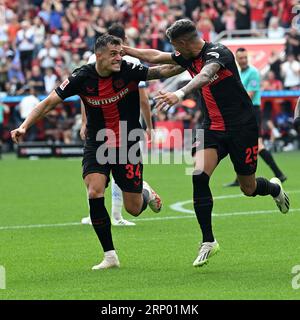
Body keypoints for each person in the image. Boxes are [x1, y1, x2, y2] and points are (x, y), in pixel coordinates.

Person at [123, 19, 290, 267]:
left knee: (248, 187)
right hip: (211, 128)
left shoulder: (218, 52)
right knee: (199, 175)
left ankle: (274, 188)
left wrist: (179, 94)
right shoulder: (187, 56)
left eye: (175, 46)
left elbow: (205, 75)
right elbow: (157, 57)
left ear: (183, 43)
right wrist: (128, 51)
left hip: (242, 128)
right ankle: (208, 241)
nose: (175, 51)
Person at [11, 34, 184, 270]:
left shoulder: (128, 70)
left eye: (120, 53)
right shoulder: (81, 77)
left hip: (127, 144)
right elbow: (48, 102)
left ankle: (144, 191)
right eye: (113, 54)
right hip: (97, 143)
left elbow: (161, 71)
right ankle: (110, 255)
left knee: (133, 209)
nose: (118, 57)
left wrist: (187, 61)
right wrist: (24, 125)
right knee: (94, 192)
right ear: (98, 54)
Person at [80, 23, 153, 227]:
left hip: (122, 129)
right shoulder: (125, 58)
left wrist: (84, 121)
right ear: (125, 41)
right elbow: (143, 99)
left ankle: (121, 211)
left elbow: (82, 96)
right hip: (105, 127)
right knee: (97, 179)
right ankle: (114, 215)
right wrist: (149, 125)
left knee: (120, 174)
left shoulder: (125, 61)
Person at [224, 48, 287, 187]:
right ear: (237, 59)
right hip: (243, 112)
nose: (244, 60)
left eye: (245, 57)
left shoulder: (253, 72)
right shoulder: (239, 72)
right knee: (239, 144)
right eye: (241, 58)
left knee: (257, 145)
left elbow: (249, 95)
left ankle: (279, 173)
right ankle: (240, 178)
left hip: (252, 111)